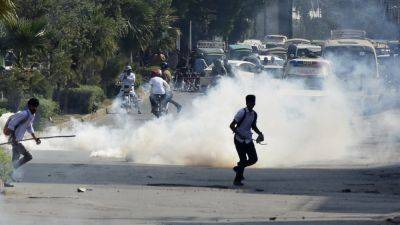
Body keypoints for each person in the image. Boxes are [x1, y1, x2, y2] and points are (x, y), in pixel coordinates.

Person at [4, 98, 41, 185]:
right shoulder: (23, 114)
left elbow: (29, 127)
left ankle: (7, 180)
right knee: (28, 156)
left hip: (18, 140)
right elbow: (11, 125)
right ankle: (9, 170)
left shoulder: (32, 115)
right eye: (33, 106)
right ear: (29, 106)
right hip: (15, 140)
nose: (35, 108)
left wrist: (35, 139)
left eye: (36, 107)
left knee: (15, 160)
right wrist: (14, 138)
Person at [229, 95, 264, 186]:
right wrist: (240, 134)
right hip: (239, 140)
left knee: (254, 159)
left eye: (253, 102)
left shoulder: (254, 114)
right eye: (250, 102)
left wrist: (260, 133)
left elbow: (253, 126)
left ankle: (238, 168)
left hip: (248, 140)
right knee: (243, 159)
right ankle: (237, 180)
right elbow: (232, 125)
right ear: (247, 102)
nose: (252, 104)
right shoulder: (241, 112)